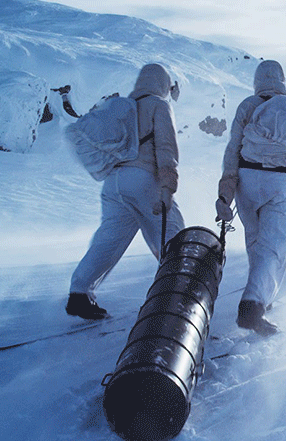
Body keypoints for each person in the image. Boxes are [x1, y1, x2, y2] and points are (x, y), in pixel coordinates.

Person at [215, 60, 286, 335]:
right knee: (276, 247)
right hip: (280, 182)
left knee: (256, 242)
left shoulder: (247, 106)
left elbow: (233, 150)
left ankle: (261, 300)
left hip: (245, 181)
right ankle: (254, 304)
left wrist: (225, 193)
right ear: (282, 81)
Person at [66, 63, 185, 320]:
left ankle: (79, 292)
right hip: (144, 179)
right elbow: (166, 148)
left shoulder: (121, 108)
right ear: (163, 83)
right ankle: (180, 293)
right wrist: (167, 186)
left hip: (113, 181)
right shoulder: (158, 105)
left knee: (108, 240)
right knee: (172, 233)